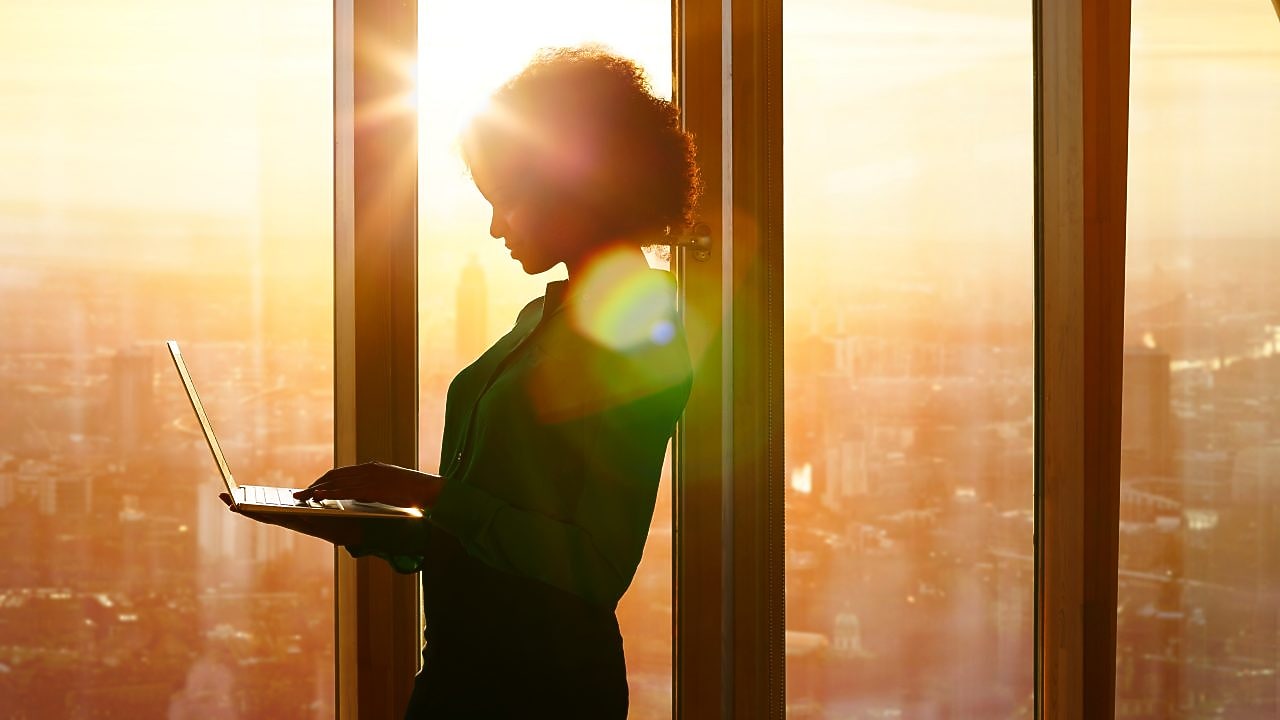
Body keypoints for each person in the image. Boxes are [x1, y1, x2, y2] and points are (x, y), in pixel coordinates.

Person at [221, 46, 700, 719]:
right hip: (462, 668)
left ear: (576, 188)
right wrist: (378, 519)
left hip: (542, 690)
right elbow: (499, 514)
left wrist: (427, 495)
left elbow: (593, 564)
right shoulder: (545, 317)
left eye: (506, 201)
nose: (496, 226)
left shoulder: (635, 339)